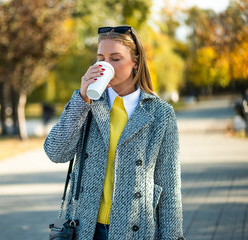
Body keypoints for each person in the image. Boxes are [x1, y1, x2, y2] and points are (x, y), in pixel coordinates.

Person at [44, 26, 185, 240]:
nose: (105, 65)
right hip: (85, 228)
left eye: (115, 58)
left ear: (135, 63)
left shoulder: (160, 113)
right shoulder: (87, 104)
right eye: (101, 58)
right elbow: (55, 152)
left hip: (135, 230)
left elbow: (170, 188)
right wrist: (81, 99)